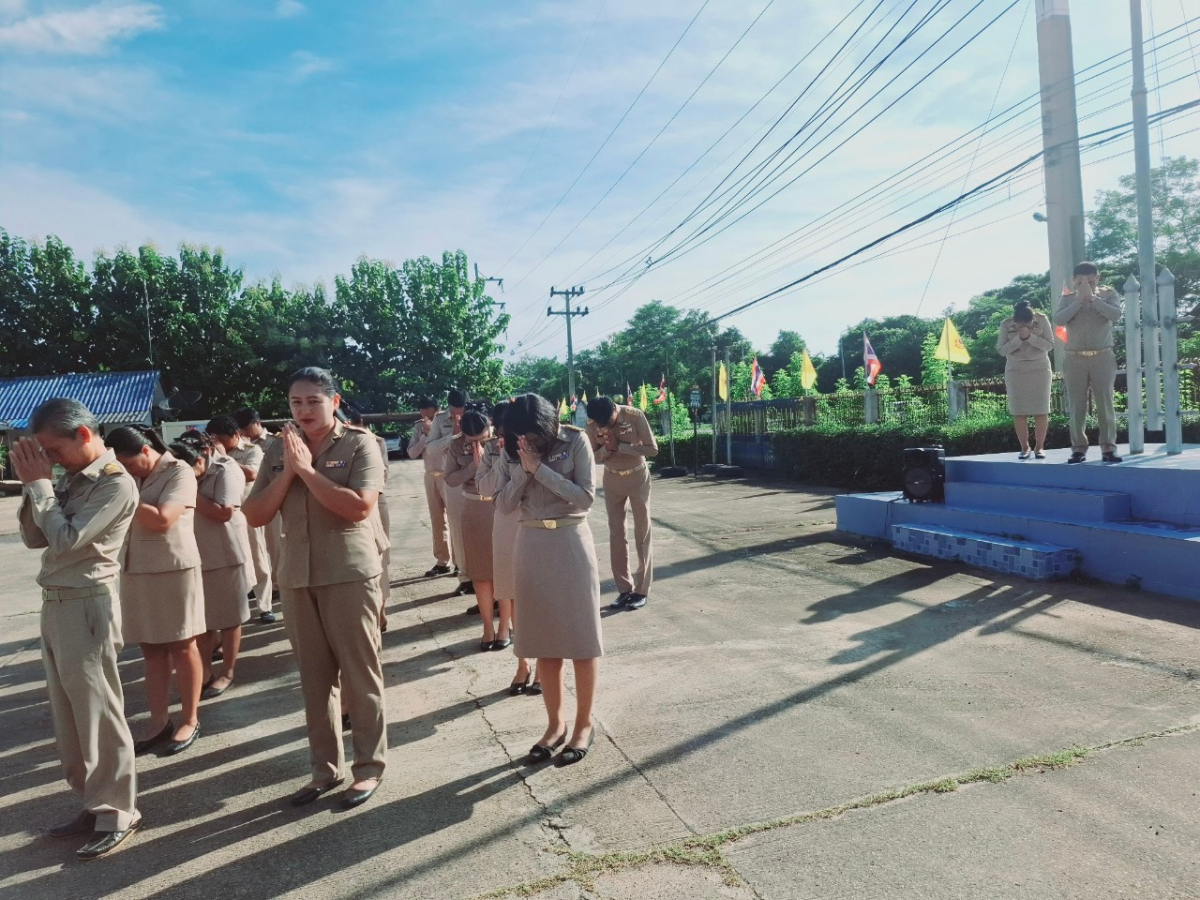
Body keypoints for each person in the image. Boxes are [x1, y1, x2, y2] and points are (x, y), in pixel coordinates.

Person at [244, 367, 388, 809]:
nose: (303, 410)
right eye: (295, 402)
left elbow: (358, 507)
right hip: (297, 576)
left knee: (360, 675)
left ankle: (368, 769)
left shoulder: (359, 443)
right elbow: (255, 514)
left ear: (335, 402)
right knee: (313, 680)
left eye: (313, 401)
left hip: (347, 573)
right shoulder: (277, 448)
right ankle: (324, 770)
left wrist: (307, 472)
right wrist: (288, 471)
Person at [13, 398, 142, 860]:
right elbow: (35, 537)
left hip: (88, 605)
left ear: (83, 435)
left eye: (53, 449)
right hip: (57, 604)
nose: (49, 459)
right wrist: (37, 487)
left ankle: (118, 812)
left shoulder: (116, 484)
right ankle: (93, 800)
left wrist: (41, 486)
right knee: (69, 718)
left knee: (100, 715)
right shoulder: (68, 480)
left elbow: (65, 542)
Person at [496, 394, 602, 766]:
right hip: (532, 543)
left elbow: (585, 497)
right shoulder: (513, 450)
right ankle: (555, 724)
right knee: (543, 641)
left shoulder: (575, 440)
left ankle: (583, 725)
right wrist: (524, 472)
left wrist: (540, 469)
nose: (527, 441)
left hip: (571, 540)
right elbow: (504, 505)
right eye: (519, 435)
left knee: (581, 639)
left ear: (548, 425)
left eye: (533, 434)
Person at [105, 426, 206, 758]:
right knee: (151, 649)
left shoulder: (179, 472)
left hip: (173, 570)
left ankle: (189, 719)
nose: (127, 471)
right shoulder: (128, 477)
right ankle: (158, 722)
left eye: (129, 465)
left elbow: (162, 519)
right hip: (136, 569)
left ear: (146, 451)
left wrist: (122, 492)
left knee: (182, 643)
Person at [174, 433, 252, 700]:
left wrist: (186, 490)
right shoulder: (182, 469)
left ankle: (227, 672)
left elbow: (223, 512)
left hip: (224, 552)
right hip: (194, 553)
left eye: (191, 468)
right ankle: (205, 671)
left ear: (204, 453)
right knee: (203, 623)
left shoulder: (226, 469)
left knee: (229, 619)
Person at [477, 400, 535, 694]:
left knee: (538, 597)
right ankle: (523, 663)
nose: (504, 434)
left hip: (536, 521)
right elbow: (483, 488)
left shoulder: (538, 443)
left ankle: (545, 663)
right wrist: (502, 458)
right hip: (505, 522)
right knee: (511, 594)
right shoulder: (491, 449)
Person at [585, 395, 659, 610]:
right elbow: (591, 455)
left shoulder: (634, 416)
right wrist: (607, 450)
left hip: (637, 477)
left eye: (607, 423)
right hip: (612, 479)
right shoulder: (592, 423)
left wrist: (620, 447)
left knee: (642, 533)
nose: (602, 427)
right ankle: (624, 590)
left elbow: (652, 449)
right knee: (616, 534)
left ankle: (641, 590)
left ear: (615, 411)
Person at [444, 407, 506, 651]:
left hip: (498, 507)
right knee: (480, 574)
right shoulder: (457, 445)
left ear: (489, 426)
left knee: (503, 571)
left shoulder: (501, 441)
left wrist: (487, 465)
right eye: (473, 441)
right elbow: (450, 478)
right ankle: (488, 628)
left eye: (482, 438)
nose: (478, 443)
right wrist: (474, 465)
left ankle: (504, 627)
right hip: (472, 507)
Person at [208, 415, 275, 625]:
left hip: (247, 512)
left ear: (235, 435)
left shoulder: (251, 450)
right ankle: (238, 605)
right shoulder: (211, 453)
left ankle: (265, 606)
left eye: (222, 439)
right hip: (221, 513)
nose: (219, 444)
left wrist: (223, 457)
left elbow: (252, 474)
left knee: (257, 558)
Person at [1054, 261, 1123, 464]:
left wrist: (1093, 299)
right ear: (1074, 280)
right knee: (1076, 406)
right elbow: (1059, 319)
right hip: (1075, 357)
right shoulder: (1067, 299)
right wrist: (1078, 301)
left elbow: (1116, 314)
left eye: (1090, 281)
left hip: (1102, 356)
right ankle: (1078, 449)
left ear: (1097, 278)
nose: (1085, 284)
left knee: (1105, 403)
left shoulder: (1109, 294)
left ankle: (1108, 448)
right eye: (1080, 281)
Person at [344, 405, 392, 633]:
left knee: (379, 561)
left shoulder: (374, 442)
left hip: (373, 507)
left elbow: (381, 476)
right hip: (344, 510)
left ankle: (380, 609)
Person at [233, 407, 280, 621]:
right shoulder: (233, 447)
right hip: (252, 504)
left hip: (276, 499)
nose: (243, 432)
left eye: (246, 427)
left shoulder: (272, 441)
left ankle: (280, 585)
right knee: (256, 551)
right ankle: (263, 590)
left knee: (276, 546)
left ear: (257, 422)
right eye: (240, 429)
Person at [427, 390, 474, 598]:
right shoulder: (439, 420)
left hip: (479, 480)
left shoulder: (477, 413)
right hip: (454, 480)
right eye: (454, 411)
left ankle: (484, 576)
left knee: (482, 532)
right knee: (457, 530)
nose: (458, 414)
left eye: (461, 411)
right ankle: (465, 578)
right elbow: (431, 449)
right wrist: (452, 435)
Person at [997, 300, 1054, 459]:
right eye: (1020, 324)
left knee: (1041, 410)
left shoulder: (1042, 319)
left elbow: (1050, 345)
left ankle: (1040, 447)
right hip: (1016, 370)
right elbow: (1001, 350)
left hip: (1039, 369)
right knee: (1019, 411)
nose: (1024, 326)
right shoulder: (1006, 324)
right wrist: (1018, 339)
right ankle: (1024, 447)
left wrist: (1030, 337)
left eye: (1028, 324)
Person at [407, 396, 454, 578]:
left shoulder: (446, 424)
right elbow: (412, 453)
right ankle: (443, 561)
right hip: (430, 475)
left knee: (455, 521)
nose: (428, 419)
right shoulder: (419, 427)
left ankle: (459, 561)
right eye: (424, 415)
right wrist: (425, 436)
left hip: (448, 475)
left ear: (438, 410)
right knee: (437, 520)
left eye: (431, 415)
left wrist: (435, 435)